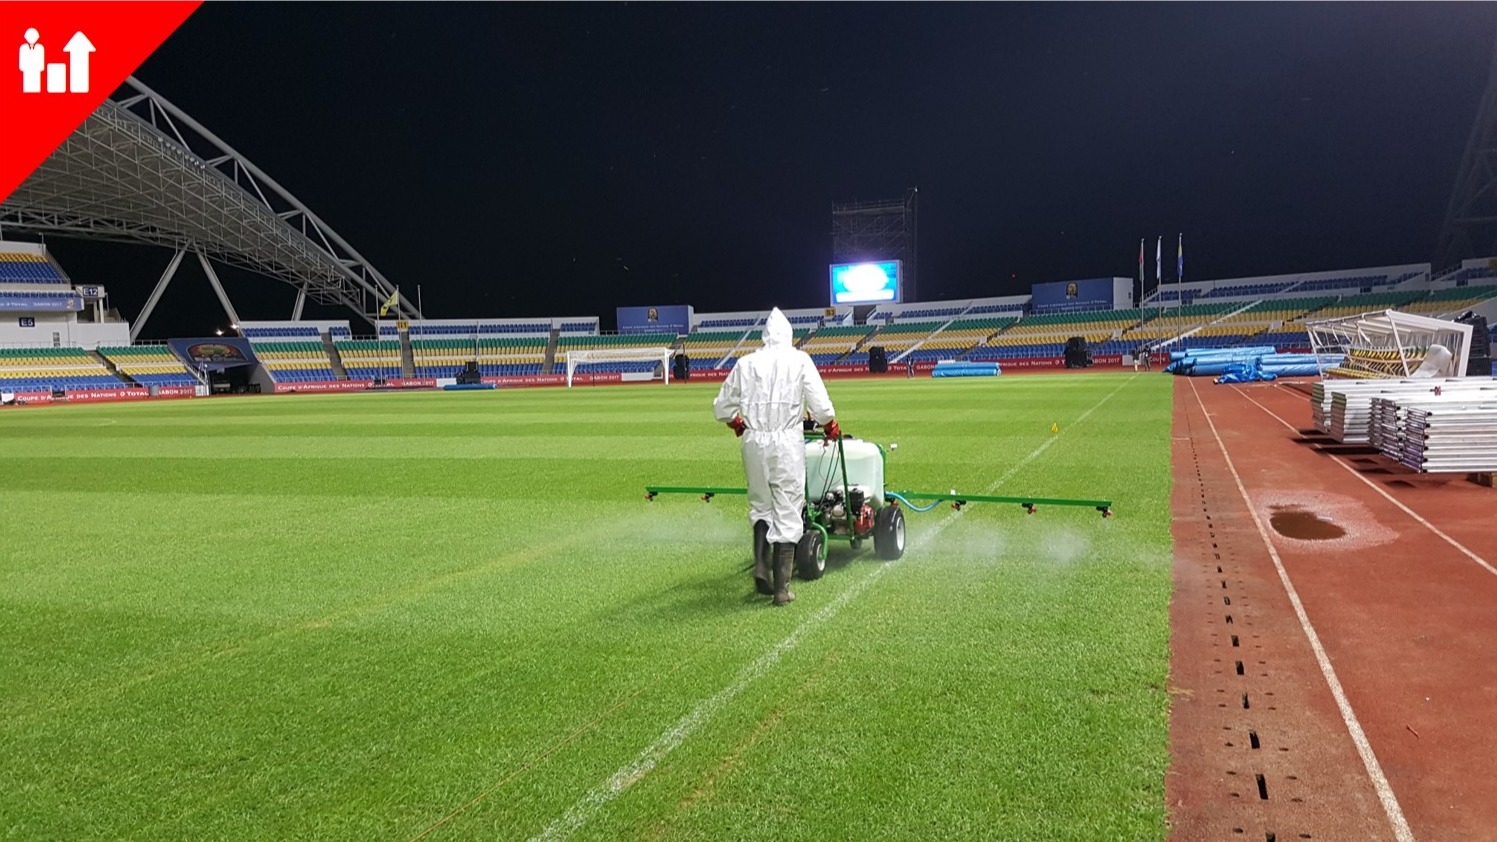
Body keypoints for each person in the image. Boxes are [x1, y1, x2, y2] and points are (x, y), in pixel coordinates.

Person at [713, 307, 837, 606]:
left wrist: (736, 422)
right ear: (789, 335)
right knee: (788, 507)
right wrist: (830, 424)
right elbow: (821, 407)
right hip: (786, 443)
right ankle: (782, 589)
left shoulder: (746, 363)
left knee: (760, 504)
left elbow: (722, 408)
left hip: (754, 441)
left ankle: (760, 564)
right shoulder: (800, 360)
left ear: (765, 336)